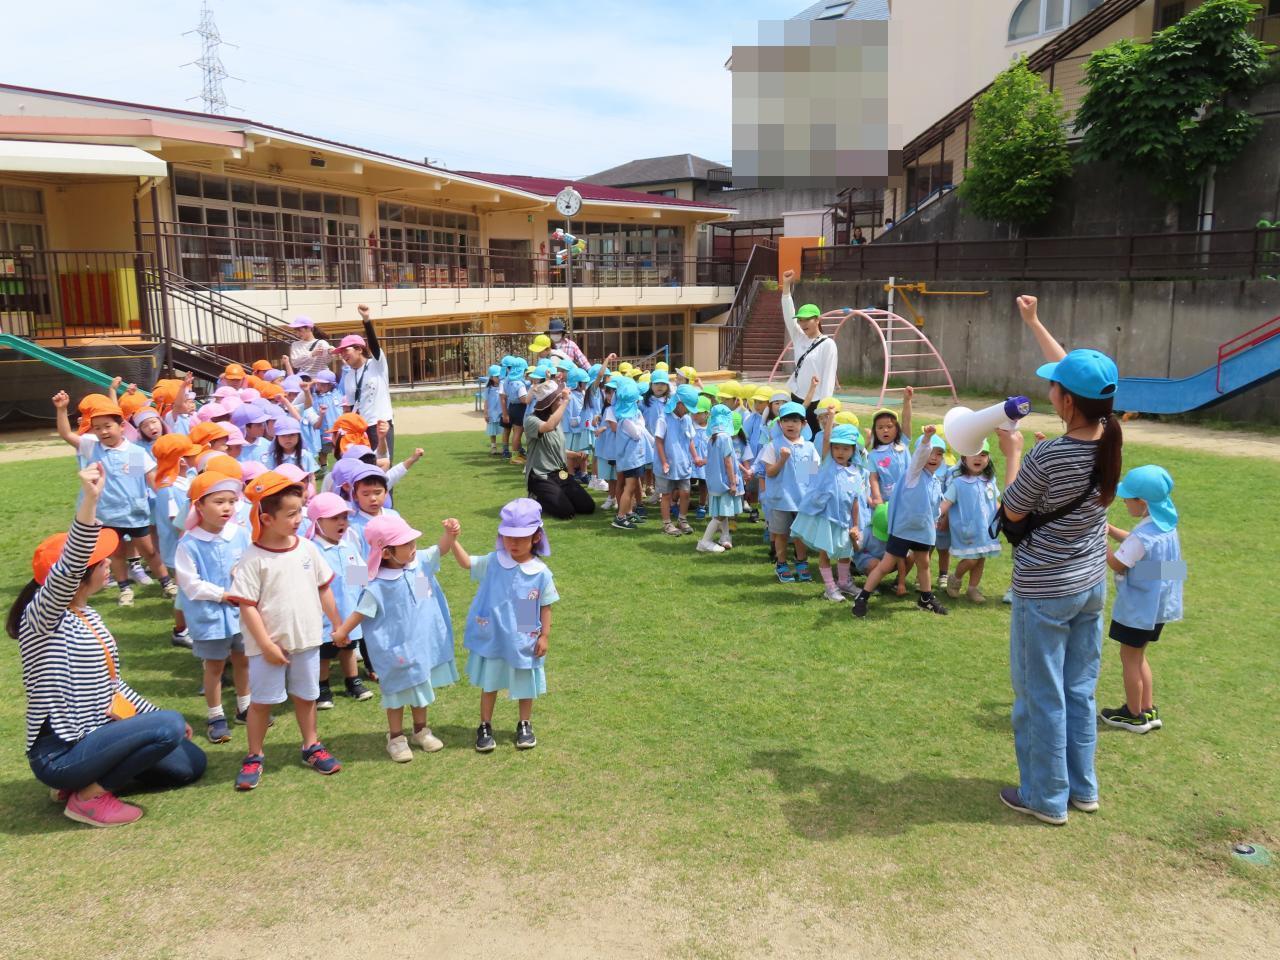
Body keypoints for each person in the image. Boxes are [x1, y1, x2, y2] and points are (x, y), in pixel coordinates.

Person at [12, 465, 206, 827]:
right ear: (76, 577)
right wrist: (91, 499)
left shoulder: (87, 614)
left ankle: (85, 781)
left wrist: (150, 715)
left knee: (189, 764)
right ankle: (88, 797)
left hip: (95, 738)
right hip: (60, 754)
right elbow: (69, 566)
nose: (108, 564)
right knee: (169, 726)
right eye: (99, 561)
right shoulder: (43, 618)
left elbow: (111, 685)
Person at [996, 294, 1122, 826]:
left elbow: (1011, 511)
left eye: (1055, 387)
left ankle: (1046, 797)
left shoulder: (1049, 453)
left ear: (1066, 402)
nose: (1049, 390)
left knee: (1040, 696)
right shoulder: (1110, 437)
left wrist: (1012, 455)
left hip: (1045, 590)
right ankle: (1082, 788)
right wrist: (1034, 323)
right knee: (1078, 691)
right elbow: (1081, 378)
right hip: (1090, 585)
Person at [226, 471, 346, 791]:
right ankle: (254, 754)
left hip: (307, 638)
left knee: (307, 696)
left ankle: (311, 745)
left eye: (300, 511)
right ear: (266, 518)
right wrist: (266, 645)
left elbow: (323, 588)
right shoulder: (253, 558)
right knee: (262, 702)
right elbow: (247, 606)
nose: (299, 518)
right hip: (268, 646)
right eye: (291, 514)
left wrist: (337, 624)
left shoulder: (307, 548)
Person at [332, 516, 461, 762]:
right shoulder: (378, 585)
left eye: (413, 542)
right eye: (407, 544)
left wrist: (450, 535)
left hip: (420, 646)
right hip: (395, 649)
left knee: (420, 686)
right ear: (387, 552)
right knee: (396, 694)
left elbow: (439, 550)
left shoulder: (419, 564)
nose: (413, 547)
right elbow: (361, 612)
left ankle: (421, 730)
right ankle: (396, 737)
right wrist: (342, 631)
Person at [447, 498, 559, 752]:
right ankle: (485, 725)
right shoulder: (495, 561)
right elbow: (467, 563)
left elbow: (546, 605)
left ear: (536, 537)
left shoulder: (540, 572)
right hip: (494, 633)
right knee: (491, 682)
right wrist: (452, 540)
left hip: (524, 632)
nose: (513, 543)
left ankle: (524, 723)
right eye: (508, 537)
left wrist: (544, 636)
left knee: (525, 678)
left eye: (520, 538)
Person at [53, 390, 176, 607]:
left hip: (135, 513)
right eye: (97, 428)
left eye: (107, 426)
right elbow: (66, 434)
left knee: (149, 552)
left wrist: (171, 499)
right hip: (107, 515)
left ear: (121, 427)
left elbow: (147, 480)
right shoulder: (91, 448)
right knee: (116, 555)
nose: (102, 432)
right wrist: (61, 410)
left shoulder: (135, 452)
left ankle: (167, 584)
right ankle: (124, 589)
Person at [1099, 465, 1184, 734]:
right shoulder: (1165, 527)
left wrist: (1101, 541)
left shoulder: (1143, 537)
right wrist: (1112, 530)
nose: (1124, 502)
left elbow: (1118, 563)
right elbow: (1165, 566)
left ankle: (1134, 715)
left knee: (1129, 659)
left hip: (1138, 610)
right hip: (1159, 608)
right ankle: (1148, 709)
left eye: (1127, 498)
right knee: (1139, 656)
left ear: (1143, 503)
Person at [174, 471, 252, 744]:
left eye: (231, 501)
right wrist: (223, 594)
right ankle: (215, 715)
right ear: (199, 505)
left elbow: (250, 564)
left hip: (240, 613)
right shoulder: (189, 543)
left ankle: (245, 706)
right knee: (215, 665)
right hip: (209, 616)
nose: (227, 508)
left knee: (244, 659)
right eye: (219, 502)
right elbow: (190, 584)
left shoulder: (240, 534)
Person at [852, 425, 949, 617]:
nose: (934, 457)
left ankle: (926, 598)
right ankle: (862, 597)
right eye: (931, 453)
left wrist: (936, 519)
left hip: (923, 531)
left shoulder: (935, 481)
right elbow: (920, 455)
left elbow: (934, 506)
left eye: (939, 454)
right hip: (903, 530)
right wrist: (926, 440)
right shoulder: (913, 474)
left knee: (924, 564)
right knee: (886, 565)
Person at [306, 492, 375, 709]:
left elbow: (359, 578)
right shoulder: (312, 550)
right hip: (323, 614)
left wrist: (363, 596)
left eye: (344, 517)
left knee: (349, 647)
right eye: (334, 518)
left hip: (349, 610)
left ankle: (352, 681)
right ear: (318, 522)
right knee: (324, 652)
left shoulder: (348, 547)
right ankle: (322, 687)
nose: (341, 523)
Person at [792, 411, 863, 601]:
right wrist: (831, 418)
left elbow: (855, 501)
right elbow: (826, 440)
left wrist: (855, 525)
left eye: (846, 448)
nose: (840, 452)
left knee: (845, 553)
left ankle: (844, 582)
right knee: (825, 552)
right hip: (826, 518)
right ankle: (830, 588)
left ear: (853, 450)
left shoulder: (856, 473)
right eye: (836, 447)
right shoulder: (828, 464)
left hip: (844, 521)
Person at [760, 401, 820, 583]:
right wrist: (782, 460)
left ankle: (801, 563)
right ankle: (781, 564)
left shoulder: (808, 447)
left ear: (803, 424)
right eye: (786, 420)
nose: (790, 425)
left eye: (795, 420)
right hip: (781, 500)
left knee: (800, 534)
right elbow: (770, 472)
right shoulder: (774, 446)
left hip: (802, 501)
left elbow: (809, 476)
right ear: (780, 424)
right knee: (781, 534)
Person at [523, 380, 597, 521]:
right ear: (549, 403)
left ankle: (556, 495)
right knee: (566, 512)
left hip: (560, 473)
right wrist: (566, 401)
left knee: (587, 507)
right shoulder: (531, 420)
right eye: (559, 399)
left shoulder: (556, 421)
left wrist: (575, 454)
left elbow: (558, 448)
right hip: (540, 475)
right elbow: (548, 427)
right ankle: (536, 497)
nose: (561, 401)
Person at [940, 442, 1002, 602]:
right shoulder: (958, 483)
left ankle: (973, 588)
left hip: (986, 529)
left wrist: (1004, 516)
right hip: (968, 530)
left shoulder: (989, 480)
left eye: (983, 455)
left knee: (981, 558)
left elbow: (995, 502)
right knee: (971, 559)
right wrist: (936, 516)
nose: (978, 458)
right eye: (974, 454)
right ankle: (955, 578)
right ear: (963, 458)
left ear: (988, 459)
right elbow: (946, 502)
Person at [780, 269, 838, 435]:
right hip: (797, 396)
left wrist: (824, 407)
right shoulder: (799, 337)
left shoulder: (828, 344)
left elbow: (828, 378)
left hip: (816, 401)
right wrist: (786, 286)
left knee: (815, 438)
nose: (803, 323)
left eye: (807, 319)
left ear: (818, 319)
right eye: (800, 320)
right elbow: (788, 314)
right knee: (794, 437)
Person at [339, 304, 395, 458]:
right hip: (360, 429)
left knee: (383, 465)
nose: (343, 354)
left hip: (380, 425)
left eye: (346, 350)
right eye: (341, 352)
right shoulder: (349, 376)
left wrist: (366, 320)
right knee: (364, 468)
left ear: (359, 349)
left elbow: (375, 346)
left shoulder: (376, 365)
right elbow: (351, 407)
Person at [656, 383, 699, 537]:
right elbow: (659, 441)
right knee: (666, 494)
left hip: (683, 464)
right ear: (679, 403)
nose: (688, 411)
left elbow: (690, 440)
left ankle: (682, 520)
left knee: (685, 493)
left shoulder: (687, 419)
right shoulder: (663, 418)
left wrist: (695, 457)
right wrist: (664, 461)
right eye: (687, 407)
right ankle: (667, 523)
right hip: (667, 464)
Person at [483, 364, 505, 455]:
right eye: (497, 376)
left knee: (504, 430)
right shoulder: (488, 389)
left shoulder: (503, 386)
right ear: (491, 377)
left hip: (502, 412)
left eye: (500, 376)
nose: (499, 378)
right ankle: (493, 447)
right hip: (492, 413)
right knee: (492, 430)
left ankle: (504, 448)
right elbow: (486, 401)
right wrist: (485, 413)